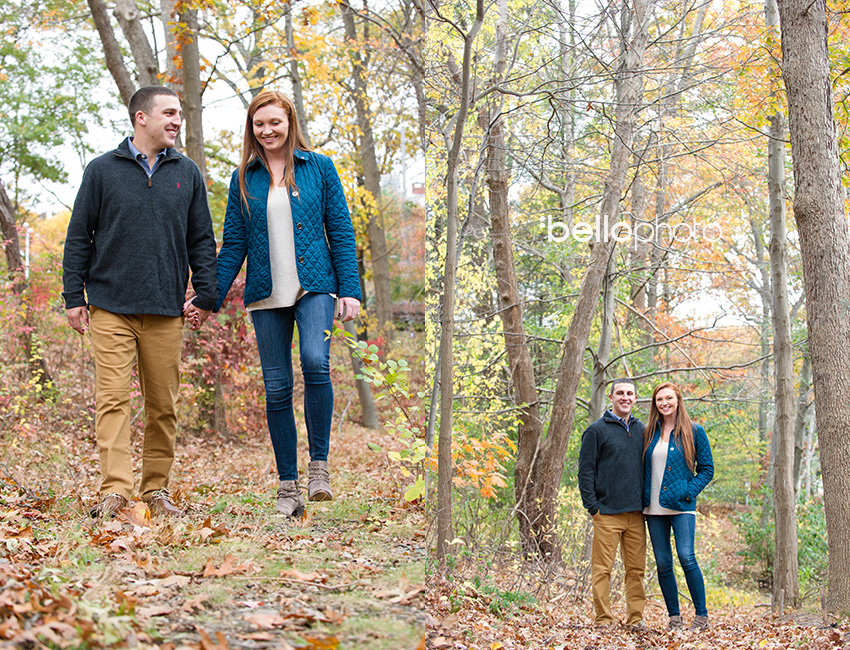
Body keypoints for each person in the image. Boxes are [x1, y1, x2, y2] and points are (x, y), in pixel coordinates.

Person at [186, 90, 361, 518]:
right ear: (252, 129)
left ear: (289, 123)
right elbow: (233, 247)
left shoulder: (319, 167)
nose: (267, 131)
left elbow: (340, 229)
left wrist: (351, 290)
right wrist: (208, 298)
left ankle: (318, 467)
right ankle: (288, 486)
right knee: (277, 386)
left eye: (274, 123)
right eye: (258, 124)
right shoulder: (244, 178)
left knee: (316, 360)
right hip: (266, 293)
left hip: (315, 286)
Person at [62, 86, 218, 519]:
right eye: (168, 113)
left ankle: (155, 490)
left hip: (167, 310)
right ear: (141, 118)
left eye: (179, 115)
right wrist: (74, 296)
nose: (176, 121)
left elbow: (202, 240)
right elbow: (78, 237)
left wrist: (206, 295)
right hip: (110, 306)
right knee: (112, 400)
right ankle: (115, 490)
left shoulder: (187, 172)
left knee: (163, 406)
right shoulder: (101, 171)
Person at [642, 381, 714, 630]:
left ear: (678, 400)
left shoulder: (694, 431)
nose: (664, 403)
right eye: (659, 399)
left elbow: (707, 470)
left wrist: (688, 491)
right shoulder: (649, 432)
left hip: (682, 505)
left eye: (669, 398)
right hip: (653, 508)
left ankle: (701, 616)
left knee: (686, 556)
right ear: (655, 404)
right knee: (663, 562)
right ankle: (674, 617)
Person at [578, 378, 646, 628]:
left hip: (637, 515)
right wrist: (593, 508)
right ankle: (603, 618)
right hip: (606, 513)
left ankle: (636, 619)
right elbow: (585, 472)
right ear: (611, 397)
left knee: (636, 571)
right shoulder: (596, 430)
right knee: (602, 570)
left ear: (635, 399)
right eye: (620, 393)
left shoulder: (643, 430)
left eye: (629, 393)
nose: (625, 397)